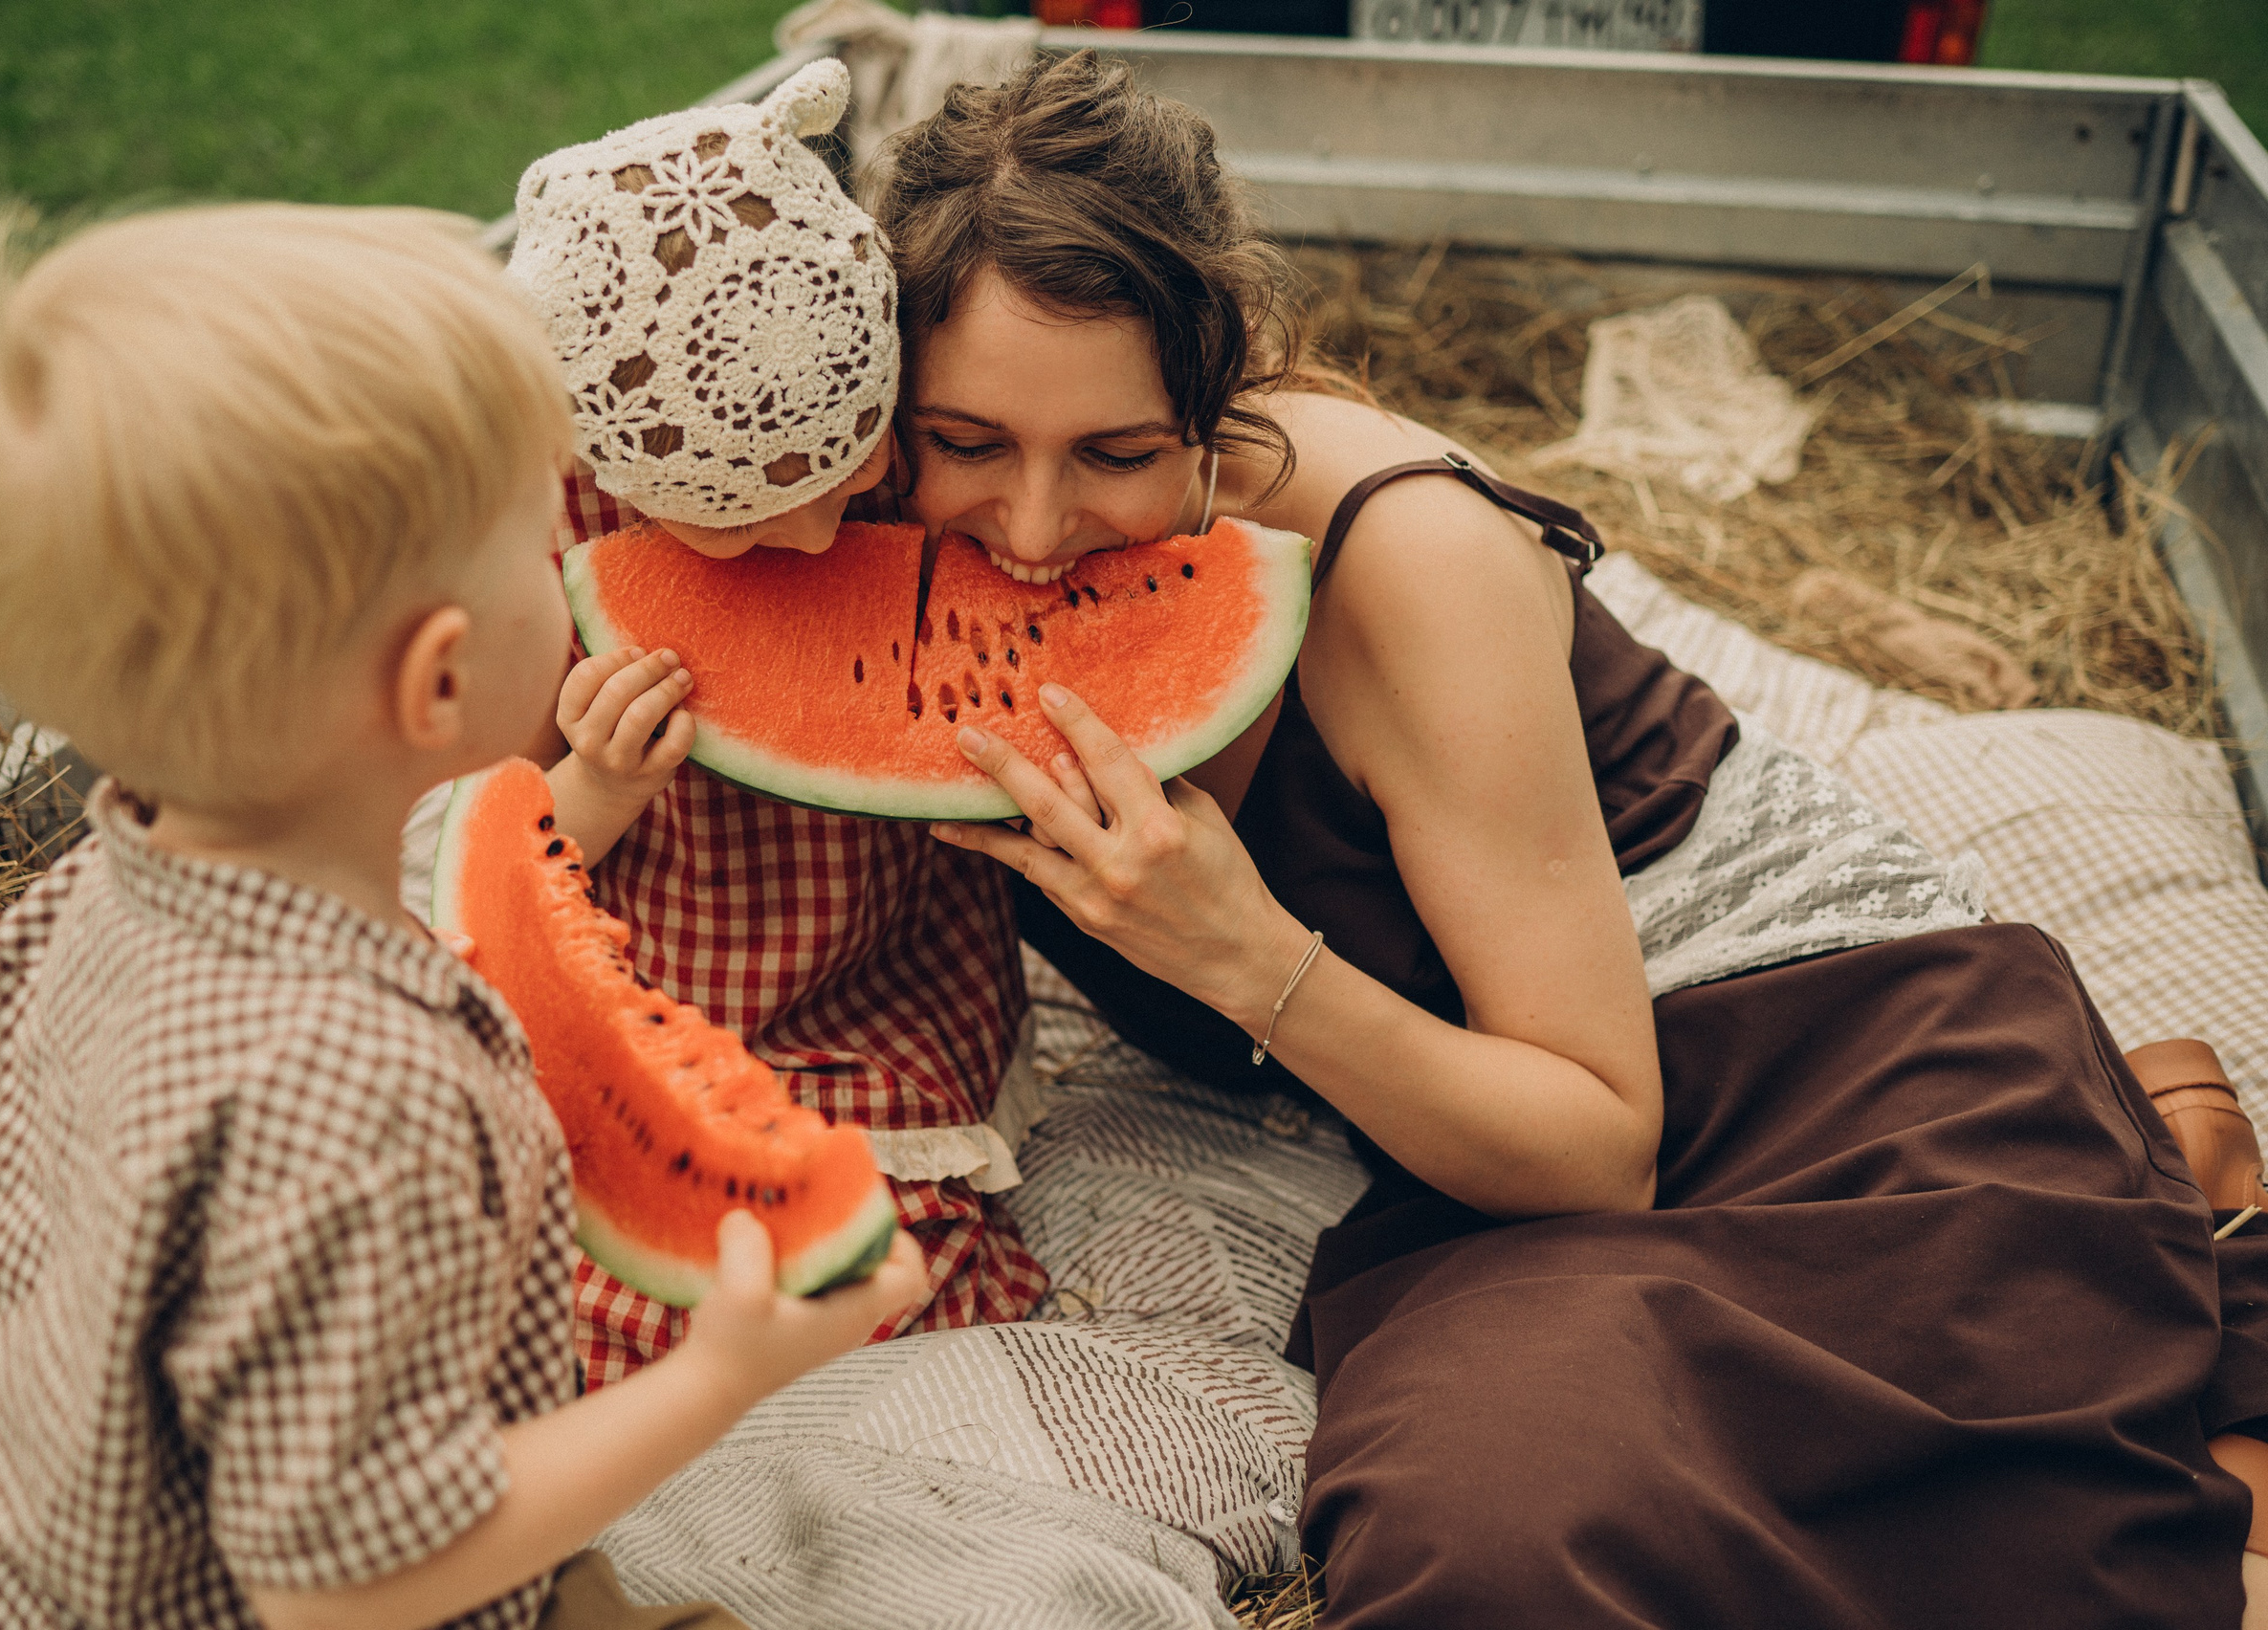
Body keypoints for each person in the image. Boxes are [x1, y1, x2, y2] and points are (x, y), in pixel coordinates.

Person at [878, 50, 2268, 1627]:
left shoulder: (1402, 563)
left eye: (1119, 455)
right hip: (1485, 1151)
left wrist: (1240, 953)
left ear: (1223, 403)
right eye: (968, 443)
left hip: (1830, 1081)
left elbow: (1603, 1148)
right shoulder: (870, 544)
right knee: (1503, 1533)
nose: (1037, 532)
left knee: (1498, 1542)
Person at [0, 202, 919, 1630]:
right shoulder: (362, 1103)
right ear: (437, 682)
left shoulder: (47, 929)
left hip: (72, 1547)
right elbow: (346, 1591)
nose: (572, 577)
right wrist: (725, 1376)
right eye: (543, 547)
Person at [498, 57, 1045, 1388]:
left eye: (855, 472)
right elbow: (484, 846)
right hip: (643, 991)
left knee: (861, 1259)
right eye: (738, 526)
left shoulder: (907, 432)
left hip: (883, 988)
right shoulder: (541, 537)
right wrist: (595, 788)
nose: (816, 534)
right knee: (579, 1275)